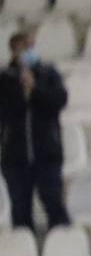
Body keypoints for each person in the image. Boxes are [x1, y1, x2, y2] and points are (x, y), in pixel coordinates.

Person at [0, 32, 70, 230]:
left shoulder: (48, 73)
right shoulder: (5, 79)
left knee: (53, 202)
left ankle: (63, 244)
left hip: (47, 152)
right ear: (14, 51)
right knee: (20, 209)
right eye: (25, 47)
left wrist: (35, 90)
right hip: (15, 156)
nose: (30, 51)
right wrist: (21, 91)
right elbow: (5, 111)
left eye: (32, 46)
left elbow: (59, 100)